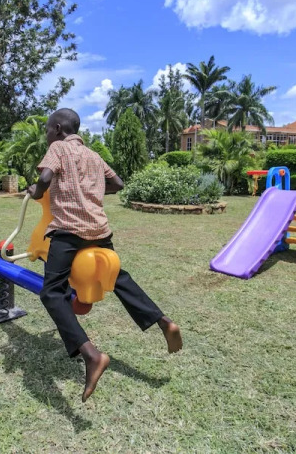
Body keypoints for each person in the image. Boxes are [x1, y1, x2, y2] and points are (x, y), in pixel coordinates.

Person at [27, 108, 182, 402]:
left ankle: (91, 355)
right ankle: (164, 322)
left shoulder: (58, 148)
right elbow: (118, 184)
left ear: (57, 129)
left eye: (47, 129)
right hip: (100, 231)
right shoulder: (93, 155)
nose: (47, 135)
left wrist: (36, 191)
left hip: (69, 231)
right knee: (117, 278)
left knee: (51, 291)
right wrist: (92, 192)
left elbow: (45, 176)